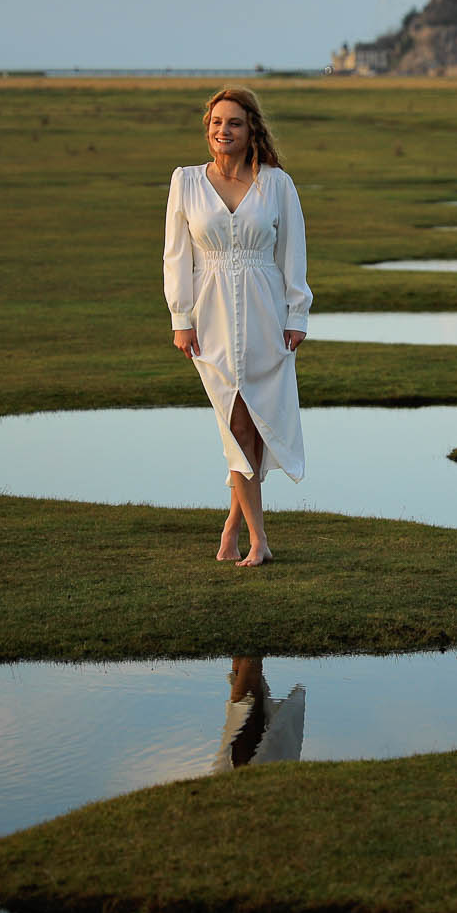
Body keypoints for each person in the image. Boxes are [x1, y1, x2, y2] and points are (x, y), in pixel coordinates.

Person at [163, 86, 309, 567]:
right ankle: (257, 539)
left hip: (266, 310)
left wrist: (297, 313)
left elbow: (292, 253)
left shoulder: (276, 185)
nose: (223, 131)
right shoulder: (185, 181)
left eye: (234, 124)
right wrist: (181, 318)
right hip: (210, 315)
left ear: (252, 132)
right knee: (236, 421)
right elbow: (175, 257)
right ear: (207, 130)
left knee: (255, 423)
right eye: (215, 123)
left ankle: (234, 531)